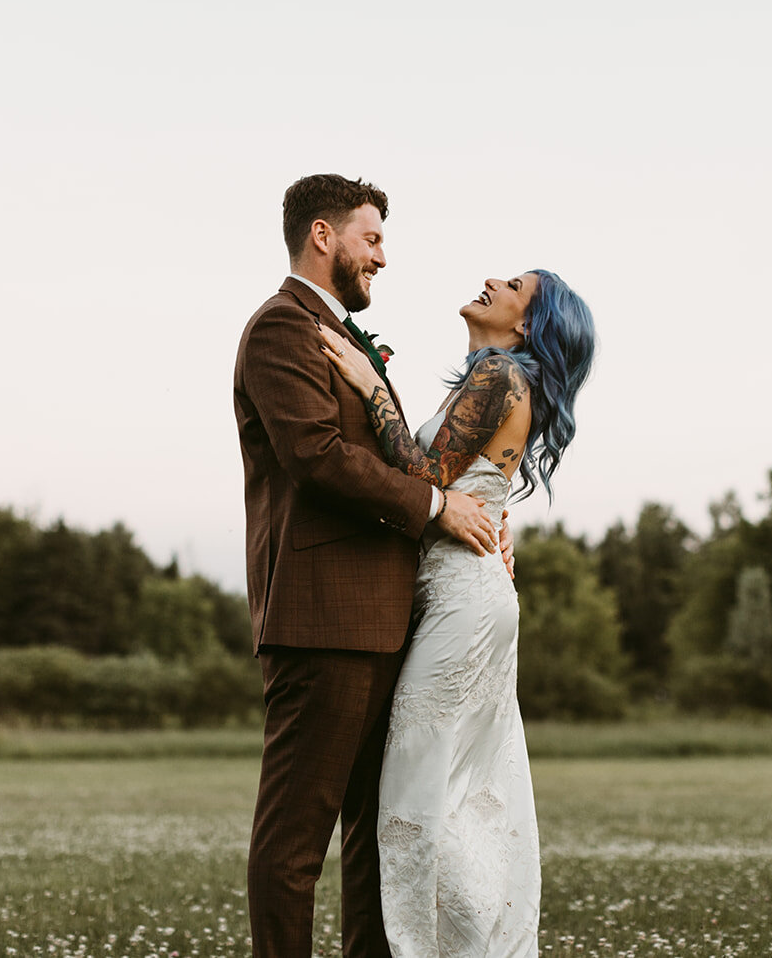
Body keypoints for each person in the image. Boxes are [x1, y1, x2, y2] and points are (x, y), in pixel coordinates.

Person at [234, 173, 510, 958]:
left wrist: (478, 511)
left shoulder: (346, 336)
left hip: (386, 621)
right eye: (372, 238)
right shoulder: (279, 330)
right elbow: (317, 457)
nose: (382, 258)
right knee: (294, 843)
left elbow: (410, 458)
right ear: (322, 235)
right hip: (322, 620)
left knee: (374, 837)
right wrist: (436, 510)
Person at [317, 268, 597, 957]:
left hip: (464, 604)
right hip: (470, 595)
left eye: (513, 285)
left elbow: (424, 481)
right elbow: (470, 487)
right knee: (465, 798)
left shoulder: (500, 374)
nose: (491, 280)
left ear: (528, 324)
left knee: (419, 795)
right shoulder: (500, 379)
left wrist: (370, 384)